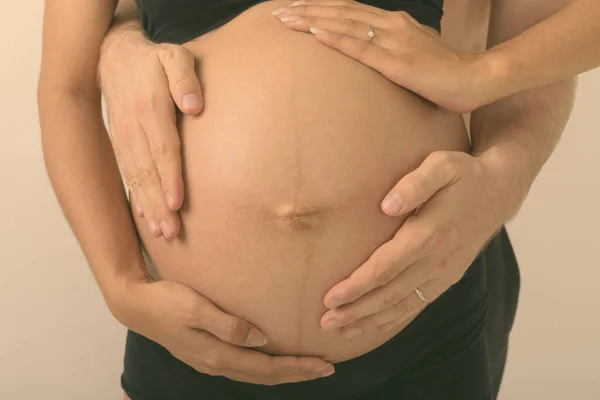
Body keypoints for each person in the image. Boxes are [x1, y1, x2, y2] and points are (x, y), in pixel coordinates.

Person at [36, 0, 585, 399]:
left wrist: (485, 92)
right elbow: (69, 84)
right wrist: (121, 285)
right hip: (185, 325)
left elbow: (544, 27)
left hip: (420, 302)